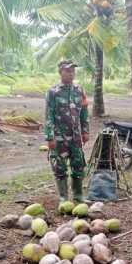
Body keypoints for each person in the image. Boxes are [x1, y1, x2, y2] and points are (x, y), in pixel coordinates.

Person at [44, 60, 90, 203]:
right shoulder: (53, 92)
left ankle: (78, 195)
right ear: (60, 72)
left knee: (78, 165)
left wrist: (85, 131)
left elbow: (84, 112)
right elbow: (48, 115)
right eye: (67, 71)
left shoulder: (79, 90)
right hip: (59, 137)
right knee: (60, 167)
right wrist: (49, 137)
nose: (71, 74)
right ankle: (63, 197)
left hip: (76, 137)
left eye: (73, 71)